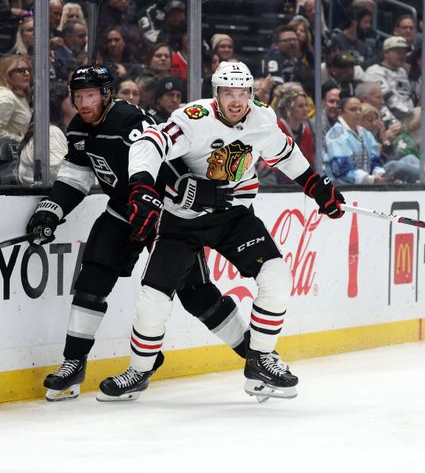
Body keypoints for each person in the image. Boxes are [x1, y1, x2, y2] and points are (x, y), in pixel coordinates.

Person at [98, 61, 346, 401]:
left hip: (234, 217)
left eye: (242, 93)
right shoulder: (193, 119)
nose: (236, 100)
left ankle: (259, 361)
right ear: (216, 93)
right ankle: (139, 371)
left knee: (277, 277)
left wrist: (316, 186)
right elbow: (148, 143)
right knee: (153, 298)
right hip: (182, 219)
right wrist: (141, 185)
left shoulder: (262, 119)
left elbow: (285, 154)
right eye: (228, 93)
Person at [25, 66, 252, 401]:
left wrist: (191, 190)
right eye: (78, 97)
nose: (84, 104)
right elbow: (75, 179)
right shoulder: (77, 130)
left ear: (106, 95)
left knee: (197, 294)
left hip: (166, 214)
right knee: (92, 280)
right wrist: (52, 209)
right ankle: (74, 362)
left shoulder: (128, 120)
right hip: (123, 211)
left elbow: (162, 159)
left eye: (91, 96)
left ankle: (256, 356)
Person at [0, 55, 33, 158]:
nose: (27, 74)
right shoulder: (5, 98)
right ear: (8, 74)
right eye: (20, 70)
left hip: (14, 155)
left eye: (28, 70)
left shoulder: (20, 94)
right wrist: (22, 141)